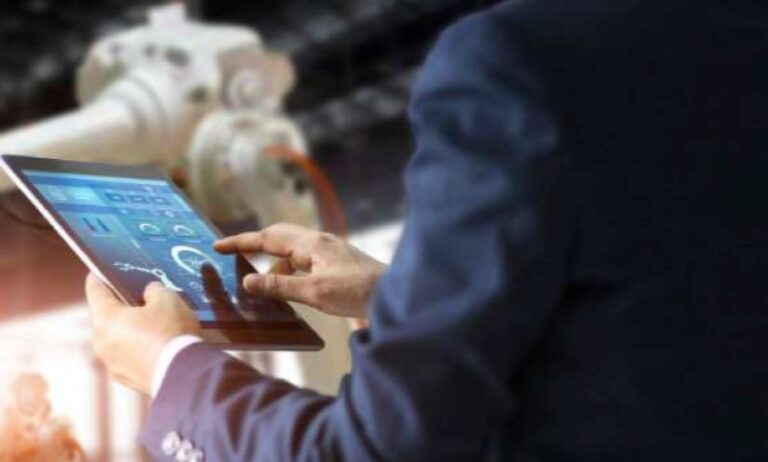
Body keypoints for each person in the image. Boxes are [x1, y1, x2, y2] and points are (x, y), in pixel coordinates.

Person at [86, 0, 768, 460]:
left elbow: (376, 451)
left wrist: (169, 367)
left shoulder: (523, 57)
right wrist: (404, 296)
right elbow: (672, 312)